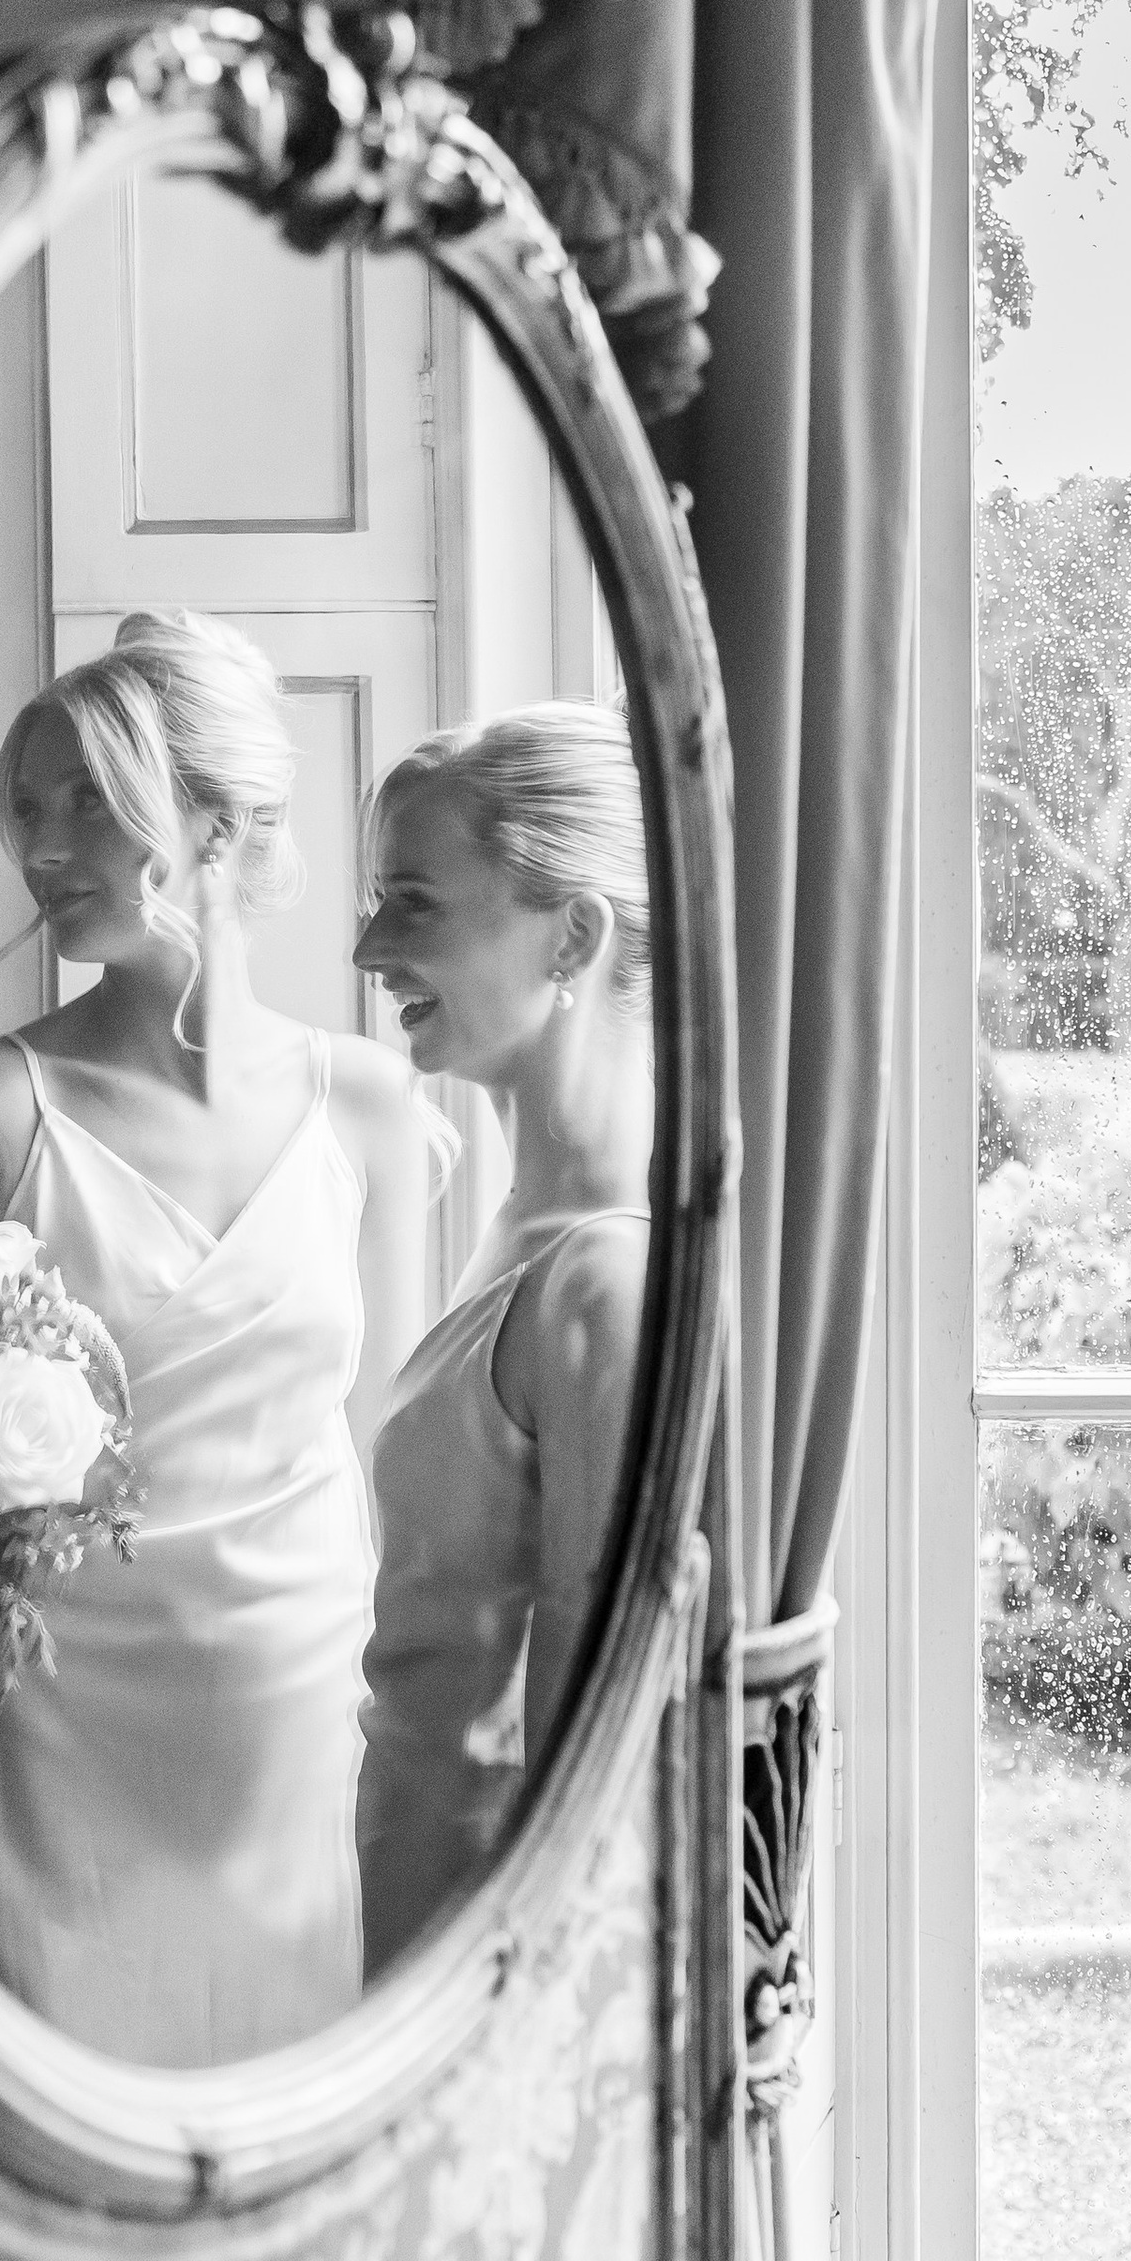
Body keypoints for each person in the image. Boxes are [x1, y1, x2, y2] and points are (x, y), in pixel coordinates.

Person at [0, 606, 432, 2065]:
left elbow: (391, 1442)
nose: (42, 847)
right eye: (27, 807)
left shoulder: (370, 1105)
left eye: (87, 802)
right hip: (54, 1732)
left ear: (215, 823)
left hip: (294, 1718)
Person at [350, 703, 655, 1973]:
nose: (370, 945)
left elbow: (587, 1776)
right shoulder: (519, 1219)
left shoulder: (604, 1275)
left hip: (480, 1964)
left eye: (414, 902)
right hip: (412, 1906)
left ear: (571, 933)